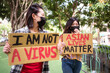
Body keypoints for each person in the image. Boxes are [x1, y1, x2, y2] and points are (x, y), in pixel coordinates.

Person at [3, 3, 49, 73]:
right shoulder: (19, 33)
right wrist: (7, 50)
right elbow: (13, 52)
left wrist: (60, 47)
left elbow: (52, 50)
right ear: (34, 16)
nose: (44, 18)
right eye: (42, 15)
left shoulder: (46, 35)